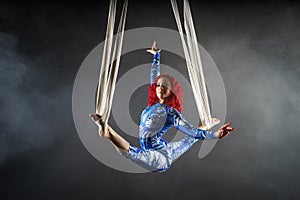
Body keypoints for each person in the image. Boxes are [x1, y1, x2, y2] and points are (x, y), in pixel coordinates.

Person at [90, 41, 235, 172]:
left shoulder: (171, 113)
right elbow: (154, 78)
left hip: (159, 158)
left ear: (172, 91)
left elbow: (191, 131)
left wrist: (216, 135)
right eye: (159, 85)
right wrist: (156, 57)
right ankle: (207, 124)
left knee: (133, 153)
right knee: (187, 142)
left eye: (165, 85)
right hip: (165, 148)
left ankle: (107, 132)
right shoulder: (152, 105)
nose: (160, 87)